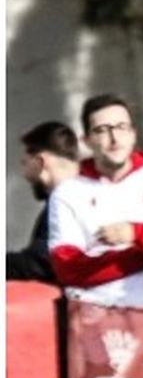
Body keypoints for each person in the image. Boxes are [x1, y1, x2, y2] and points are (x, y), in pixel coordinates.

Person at [48, 95, 143, 308]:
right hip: (97, 322)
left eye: (121, 127)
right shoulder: (68, 192)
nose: (114, 138)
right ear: (87, 140)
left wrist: (137, 234)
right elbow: (67, 268)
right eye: (102, 129)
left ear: (133, 134)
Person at [9, 121, 81, 283]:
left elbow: (43, 261)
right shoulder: (83, 193)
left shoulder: (69, 201)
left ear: (41, 161)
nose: (23, 167)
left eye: (25, 161)